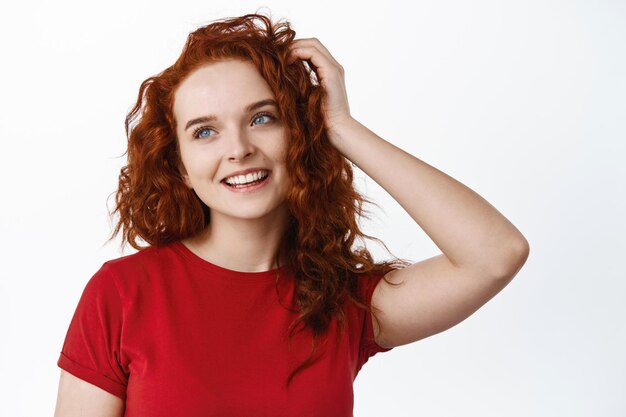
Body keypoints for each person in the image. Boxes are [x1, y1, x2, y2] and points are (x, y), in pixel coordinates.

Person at [53, 12, 529, 417]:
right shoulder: (121, 294)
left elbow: (495, 255)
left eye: (262, 117)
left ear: (299, 132)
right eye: (204, 132)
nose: (238, 149)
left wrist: (341, 127)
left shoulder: (344, 302)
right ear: (178, 163)